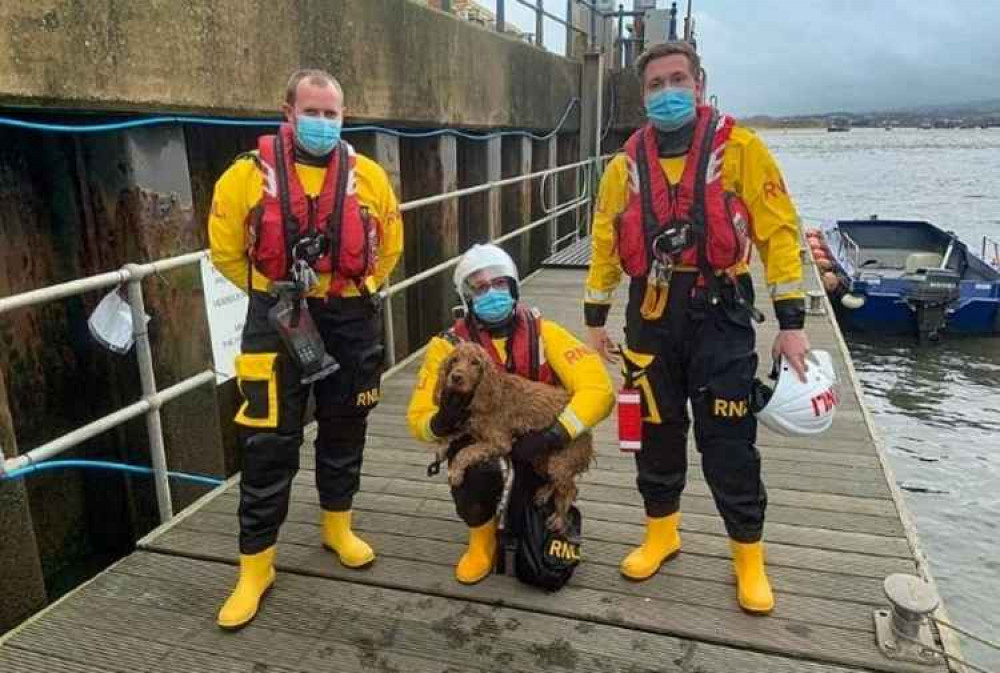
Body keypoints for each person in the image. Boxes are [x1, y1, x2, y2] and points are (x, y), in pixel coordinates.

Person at [584, 41, 809, 614]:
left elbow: (779, 233)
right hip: (651, 314)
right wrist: (595, 321)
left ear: (700, 83)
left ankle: (748, 556)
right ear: (642, 96)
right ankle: (661, 532)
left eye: (677, 80)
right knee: (653, 430)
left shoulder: (743, 150)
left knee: (729, 441)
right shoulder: (623, 166)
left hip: (721, 312)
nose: (667, 93)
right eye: (656, 85)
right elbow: (606, 243)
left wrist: (792, 323)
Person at [208, 68, 403, 629]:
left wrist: (353, 289)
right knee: (267, 438)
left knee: (347, 424)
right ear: (288, 112)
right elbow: (224, 252)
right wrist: (279, 292)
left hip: (349, 314)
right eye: (312, 111)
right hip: (277, 315)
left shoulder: (368, 177)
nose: (322, 122)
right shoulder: (244, 178)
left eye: (332, 113)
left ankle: (337, 525)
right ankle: (255, 564)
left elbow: (390, 244)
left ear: (344, 117)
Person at [407, 244, 614, 584]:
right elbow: (417, 417)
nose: (491, 293)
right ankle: (481, 541)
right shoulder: (446, 346)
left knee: (532, 549)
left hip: (537, 442)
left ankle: (540, 506)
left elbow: (600, 390)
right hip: (483, 438)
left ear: (514, 287)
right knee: (477, 472)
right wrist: (438, 423)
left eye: (499, 284)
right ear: (466, 297)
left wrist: (556, 434)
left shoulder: (545, 332)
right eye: (480, 287)